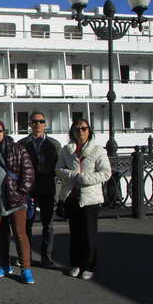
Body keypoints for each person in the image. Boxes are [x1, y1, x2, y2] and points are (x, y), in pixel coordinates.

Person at [0, 119, 36, 285]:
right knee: (0, 234)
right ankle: (4, 265)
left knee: (20, 234)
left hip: (16, 199)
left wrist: (21, 192)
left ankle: (26, 269)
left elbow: (28, 172)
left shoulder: (17, 148)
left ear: (4, 132)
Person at [56, 119, 110, 281]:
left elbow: (106, 172)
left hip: (90, 199)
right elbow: (58, 169)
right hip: (71, 196)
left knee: (89, 234)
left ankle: (89, 265)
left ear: (89, 131)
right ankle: (76, 263)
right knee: (75, 233)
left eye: (84, 128)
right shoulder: (67, 150)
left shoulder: (98, 150)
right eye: (77, 129)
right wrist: (73, 175)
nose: (81, 131)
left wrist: (85, 178)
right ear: (72, 132)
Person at [18, 111, 61, 267]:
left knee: (48, 224)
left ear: (45, 124)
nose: (38, 124)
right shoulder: (22, 144)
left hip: (47, 187)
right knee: (27, 223)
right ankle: (26, 255)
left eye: (41, 121)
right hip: (29, 189)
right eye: (35, 122)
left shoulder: (54, 144)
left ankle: (46, 256)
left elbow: (58, 167)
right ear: (30, 124)